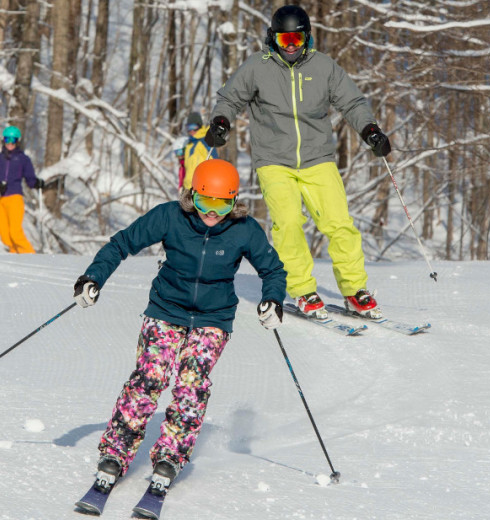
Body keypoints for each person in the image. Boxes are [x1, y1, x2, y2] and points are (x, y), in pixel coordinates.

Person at [72, 158, 286, 499]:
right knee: (149, 377)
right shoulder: (170, 216)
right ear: (192, 196)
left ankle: (171, 455)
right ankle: (116, 450)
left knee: (192, 383)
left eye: (221, 204)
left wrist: (273, 300)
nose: (211, 213)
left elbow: (273, 270)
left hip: (213, 319)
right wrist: (93, 277)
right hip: (165, 309)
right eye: (205, 202)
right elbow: (121, 244)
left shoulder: (244, 230)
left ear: (233, 202)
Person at [204, 5, 392, 320]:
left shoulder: (323, 67)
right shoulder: (257, 67)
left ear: (307, 37)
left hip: (318, 158)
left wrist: (369, 130)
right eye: (284, 38)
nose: (291, 45)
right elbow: (230, 98)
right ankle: (303, 290)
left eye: (297, 38)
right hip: (274, 160)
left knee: (339, 224)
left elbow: (352, 101)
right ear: (272, 38)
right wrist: (221, 121)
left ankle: (354, 290)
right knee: (288, 223)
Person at [0, 126, 43, 254]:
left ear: (18, 141)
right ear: (3, 140)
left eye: (13, 140)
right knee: (5, 236)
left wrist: (37, 183)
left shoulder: (23, 159)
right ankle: (16, 258)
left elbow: (30, 179)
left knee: (15, 232)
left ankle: (31, 256)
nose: (10, 143)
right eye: (7, 139)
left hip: (14, 197)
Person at [179, 112, 218, 192]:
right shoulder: (189, 144)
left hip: (201, 189)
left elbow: (214, 164)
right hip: (187, 190)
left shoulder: (206, 141)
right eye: (188, 127)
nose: (191, 130)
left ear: (199, 126)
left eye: (193, 127)